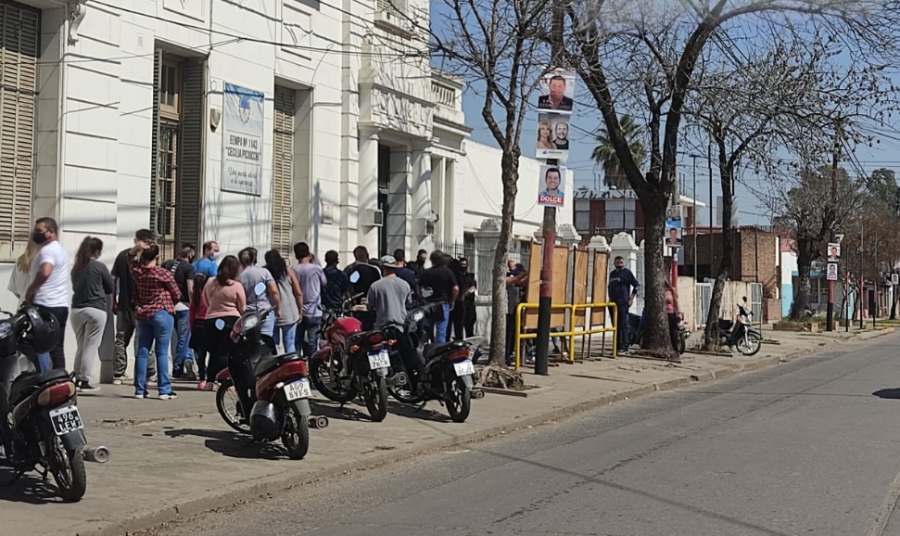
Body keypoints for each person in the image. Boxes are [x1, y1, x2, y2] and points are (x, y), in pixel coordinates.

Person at [128, 244, 181, 399]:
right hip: (161, 312)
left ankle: (139, 389)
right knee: (162, 352)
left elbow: (129, 259)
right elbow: (176, 293)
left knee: (142, 351)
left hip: (143, 314)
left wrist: (136, 247)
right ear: (157, 257)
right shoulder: (162, 273)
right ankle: (164, 389)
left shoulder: (137, 272)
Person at [24, 217, 70, 372]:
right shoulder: (61, 250)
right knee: (56, 348)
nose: (35, 234)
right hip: (60, 304)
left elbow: (45, 272)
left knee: (39, 345)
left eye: (39, 231)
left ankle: (43, 378)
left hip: (45, 304)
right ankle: (60, 381)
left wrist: (30, 291)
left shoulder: (48, 250)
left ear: (51, 232)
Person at [111, 229, 156, 385]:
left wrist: (112, 302)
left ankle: (118, 373)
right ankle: (149, 374)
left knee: (121, 339)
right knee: (145, 340)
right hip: (141, 306)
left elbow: (113, 280)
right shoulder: (149, 257)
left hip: (124, 304)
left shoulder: (122, 256)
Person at [70, 236, 113, 392]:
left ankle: (76, 377)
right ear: (97, 251)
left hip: (76, 310)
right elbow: (110, 287)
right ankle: (84, 379)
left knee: (81, 346)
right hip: (95, 309)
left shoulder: (76, 267)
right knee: (91, 346)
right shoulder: (99, 267)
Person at [203, 255, 245, 387]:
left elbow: (205, 301)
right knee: (225, 352)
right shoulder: (236, 285)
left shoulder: (210, 282)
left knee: (213, 352)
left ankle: (209, 381)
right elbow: (242, 307)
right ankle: (223, 382)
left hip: (210, 319)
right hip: (230, 319)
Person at [162, 244, 197, 379]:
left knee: (171, 339)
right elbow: (190, 289)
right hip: (183, 307)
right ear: (189, 256)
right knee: (183, 339)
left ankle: (184, 363)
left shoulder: (166, 264)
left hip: (167, 306)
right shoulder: (188, 268)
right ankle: (178, 369)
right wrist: (194, 304)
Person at [292, 242, 326, 358]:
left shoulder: (293, 269)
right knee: (312, 341)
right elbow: (324, 282)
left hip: (298, 310)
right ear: (308, 253)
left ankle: (296, 364)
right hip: (314, 310)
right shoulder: (316, 268)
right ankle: (312, 367)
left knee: (297, 340)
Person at [265, 249, 303, 354]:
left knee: (274, 344)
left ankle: (275, 367)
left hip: (272, 311)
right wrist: (300, 311)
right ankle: (291, 367)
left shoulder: (266, 273)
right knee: (290, 343)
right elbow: (298, 292)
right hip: (290, 310)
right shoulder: (288, 271)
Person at [238, 247, 281, 339]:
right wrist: (278, 308)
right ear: (254, 258)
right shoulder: (264, 272)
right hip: (265, 310)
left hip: (247, 313)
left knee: (251, 340)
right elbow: (274, 292)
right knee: (266, 339)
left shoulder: (240, 276)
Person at [418, 251, 459, 343]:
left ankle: (427, 349)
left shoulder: (427, 272)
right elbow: (456, 289)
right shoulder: (448, 272)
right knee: (441, 332)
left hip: (428, 305)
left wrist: (422, 298)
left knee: (427, 330)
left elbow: (419, 287)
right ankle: (439, 352)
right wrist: (452, 301)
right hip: (442, 304)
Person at [608, 256, 640, 355]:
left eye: (621, 262)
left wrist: (631, 298)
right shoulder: (612, 274)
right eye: (617, 262)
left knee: (623, 325)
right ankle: (616, 346)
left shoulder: (627, 273)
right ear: (614, 263)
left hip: (623, 303)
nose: (619, 264)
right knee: (615, 325)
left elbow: (636, 285)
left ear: (624, 263)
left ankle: (624, 345)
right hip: (613, 303)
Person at [189, 274, 211, 390]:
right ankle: (211, 378)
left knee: (200, 355)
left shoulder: (196, 297)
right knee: (212, 353)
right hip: (207, 323)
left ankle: (202, 378)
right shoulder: (208, 296)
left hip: (197, 325)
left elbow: (191, 314)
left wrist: (191, 328)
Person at [505, 261, 528, 364]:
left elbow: (520, 282)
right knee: (508, 334)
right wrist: (524, 274)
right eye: (510, 267)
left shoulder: (516, 280)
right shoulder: (504, 277)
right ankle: (506, 355)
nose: (511, 269)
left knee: (515, 333)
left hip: (515, 310)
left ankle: (512, 354)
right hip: (507, 310)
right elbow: (512, 280)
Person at [7, 238, 40, 308]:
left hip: (22, 307)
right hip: (39, 308)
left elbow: (14, 289)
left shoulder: (20, 261)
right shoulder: (44, 263)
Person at [448, 257, 467, 341]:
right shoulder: (461, 276)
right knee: (459, 328)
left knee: (448, 328)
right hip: (460, 302)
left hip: (452, 302)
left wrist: (452, 301)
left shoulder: (451, 276)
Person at [460, 258, 477, 337]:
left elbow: (473, 288)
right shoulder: (456, 276)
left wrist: (464, 294)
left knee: (469, 326)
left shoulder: (470, 276)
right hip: (459, 304)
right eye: (461, 264)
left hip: (469, 303)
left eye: (464, 265)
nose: (463, 266)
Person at [664, 279, 680, 355]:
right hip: (664, 314)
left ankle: (675, 349)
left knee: (672, 332)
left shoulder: (672, 291)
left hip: (671, 313)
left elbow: (676, 302)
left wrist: (678, 312)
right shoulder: (661, 292)